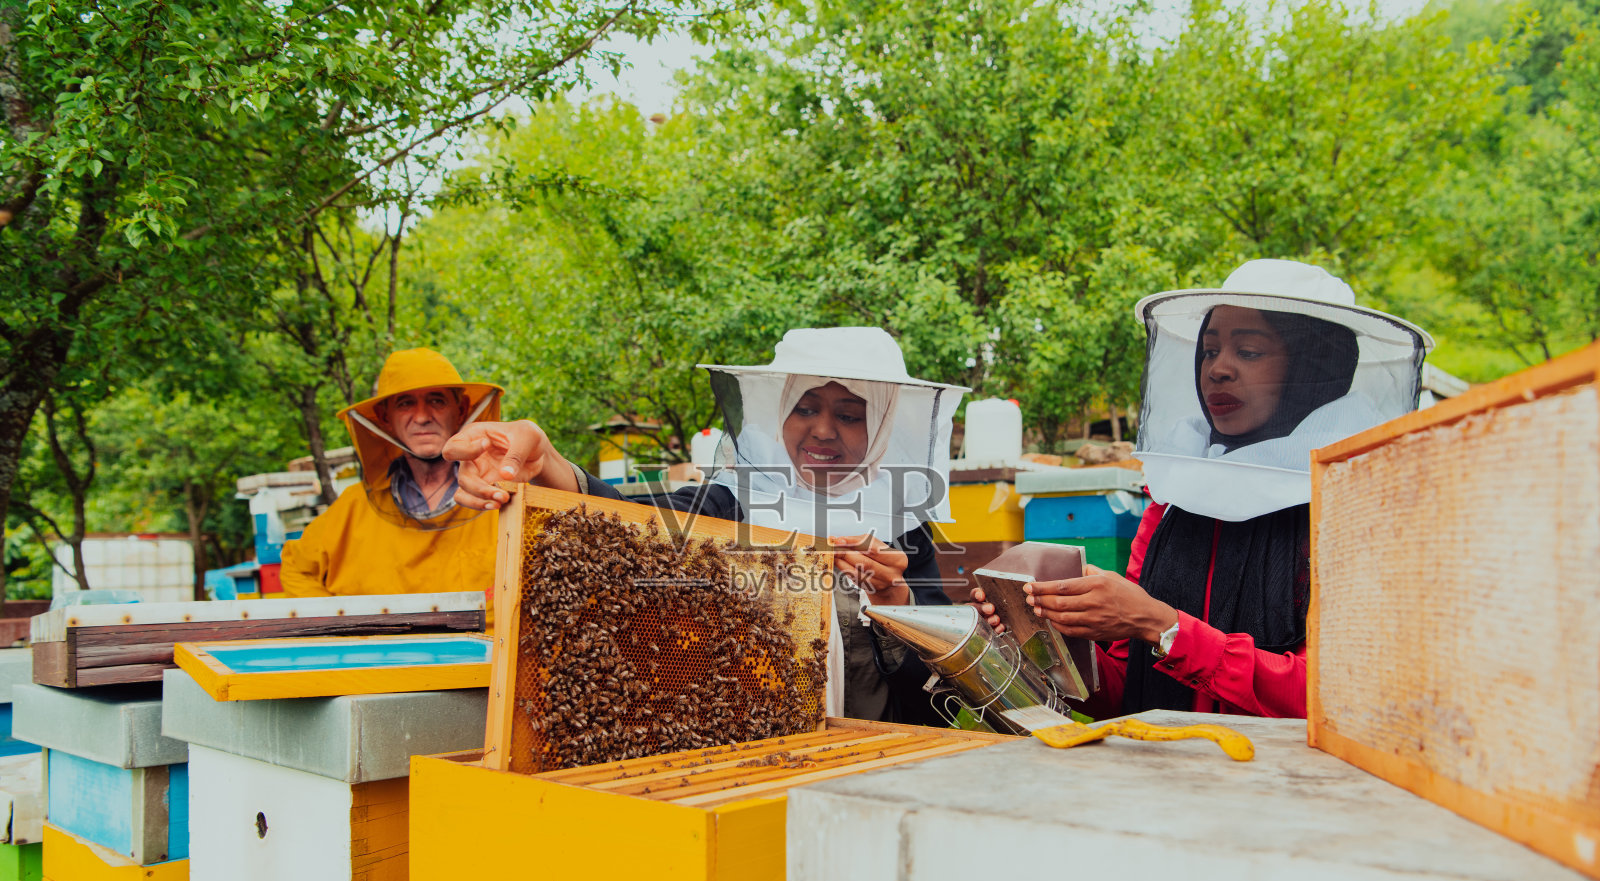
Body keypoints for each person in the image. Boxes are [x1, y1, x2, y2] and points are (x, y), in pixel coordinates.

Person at [976, 259, 1431, 719]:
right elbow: (1129, 694)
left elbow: (1336, 691)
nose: (1218, 370)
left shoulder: (1360, 507)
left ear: (1314, 370)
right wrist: (1051, 634)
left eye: (1248, 352)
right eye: (1209, 351)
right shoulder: (1175, 499)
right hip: (1171, 762)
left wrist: (1162, 625)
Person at [446, 327, 968, 721]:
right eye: (804, 408)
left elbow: (945, 691)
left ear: (880, 428)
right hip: (747, 764)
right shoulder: (730, 503)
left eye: (850, 415)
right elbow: (633, 522)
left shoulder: (906, 532)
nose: (822, 430)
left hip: (875, 770)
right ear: (780, 413)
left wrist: (895, 602)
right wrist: (548, 464)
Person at [280, 348, 504, 597]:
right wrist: (336, 619)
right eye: (406, 403)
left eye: (436, 401)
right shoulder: (352, 508)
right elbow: (296, 568)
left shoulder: (499, 498)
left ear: (461, 410)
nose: (422, 417)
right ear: (384, 417)